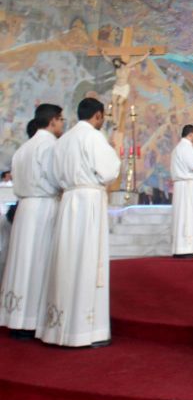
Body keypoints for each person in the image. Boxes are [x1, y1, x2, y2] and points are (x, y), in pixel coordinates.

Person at [36, 98, 121, 348]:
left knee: (67, 260)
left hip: (68, 200)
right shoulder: (93, 137)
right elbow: (109, 171)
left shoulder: (63, 140)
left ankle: (59, 326)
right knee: (87, 261)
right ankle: (85, 330)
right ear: (98, 115)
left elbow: (53, 175)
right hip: (88, 201)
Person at [0, 105, 64, 339]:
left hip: (25, 207)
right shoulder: (51, 146)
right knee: (39, 260)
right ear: (52, 121)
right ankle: (33, 319)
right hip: (44, 207)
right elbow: (56, 178)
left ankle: (16, 317)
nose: (62, 124)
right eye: (61, 119)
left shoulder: (23, 148)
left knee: (22, 260)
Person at [170, 125, 193, 258]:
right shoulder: (186, 147)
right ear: (190, 134)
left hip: (183, 185)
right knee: (188, 214)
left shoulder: (179, 148)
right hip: (187, 186)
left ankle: (182, 248)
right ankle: (186, 248)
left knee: (183, 215)